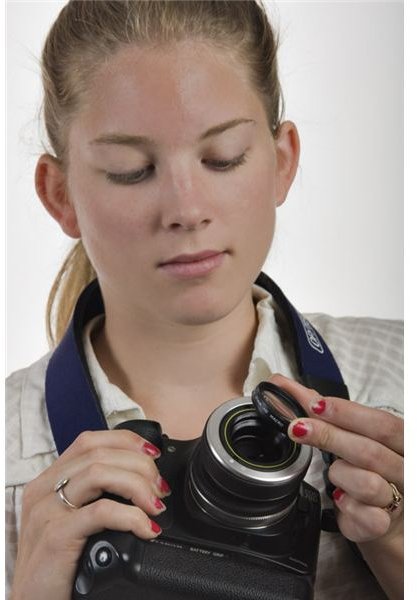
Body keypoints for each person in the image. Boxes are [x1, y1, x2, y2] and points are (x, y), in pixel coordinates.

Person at [6, 1, 403, 599]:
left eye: (223, 158)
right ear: (58, 195)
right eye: (130, 170)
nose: (187, 210)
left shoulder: (403, 381)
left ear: (283, 161)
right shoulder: (13, 453)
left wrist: (401, 553)